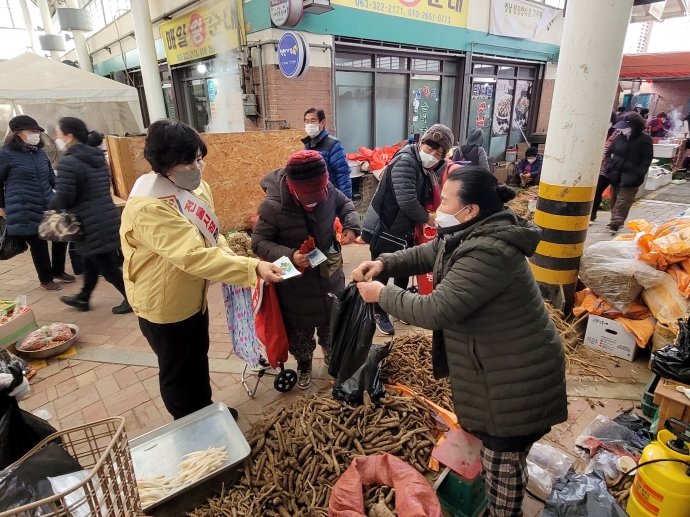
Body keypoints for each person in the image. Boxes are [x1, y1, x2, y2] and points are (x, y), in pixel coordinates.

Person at [353, 166, 567, 517]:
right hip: (499, 368)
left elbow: (435, 310)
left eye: (446, 201)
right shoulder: (471, 231)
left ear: (470, 210)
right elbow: (429, 254)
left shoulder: (490, 251)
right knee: (505, 460)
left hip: (516, 380)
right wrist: (384, 264)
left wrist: (382, 294)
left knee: (502, 463)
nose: (439, 207)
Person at [120, 120, 284, 420]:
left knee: (197, 358)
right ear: (166, 163)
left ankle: (204, 409)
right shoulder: (149, 206)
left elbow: (211, 234)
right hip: (164, 304)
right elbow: (193, 256)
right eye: (191, 160)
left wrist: (232, 257)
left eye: (199, 158)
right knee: (177, 371)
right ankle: (190, 425)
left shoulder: (194, 187)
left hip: (192, 297)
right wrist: (252, 267)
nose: (199, 166)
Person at [252, 150, 360, 389]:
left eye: (319, 194)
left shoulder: (328, 191)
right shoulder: (273, 206)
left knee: (332, 325)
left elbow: (346, 205)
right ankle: (304, 364)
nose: (315, 200)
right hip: (295, 283)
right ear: (293, 187)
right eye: (307, 196)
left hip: (329, 274)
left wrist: (352, 226)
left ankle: (333, 359)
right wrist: (291, 255)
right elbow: (259, 242)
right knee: (300, 333)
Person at [361, 123, 453, 335]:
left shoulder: (425, 166)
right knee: (382, 270)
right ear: (421, 144)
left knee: (403, 268)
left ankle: (397, 307)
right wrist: (428, 218)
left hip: (403, 228)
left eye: (438, 154)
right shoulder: (406, 161)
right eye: (429, 149)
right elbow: (407, 201)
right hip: (386, 226)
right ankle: (378, 311)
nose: (432, 155)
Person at [49, 117, 130, 314]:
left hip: (88, 221)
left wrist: (52, 205)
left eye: (58, 133)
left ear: (69, 135)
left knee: (106, 265)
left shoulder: (69, 162)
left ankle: (132, 298)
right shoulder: (97, 157)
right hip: (106, 216)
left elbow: (66, 196)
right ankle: (84, 297)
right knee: (90, 260)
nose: (56, 137)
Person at [0, 115, 74, 291]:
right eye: (30, 131)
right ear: (17, 133)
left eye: (37, 131)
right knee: (38, 243)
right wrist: (1, 205)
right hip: (23, 205)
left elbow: (50, 176)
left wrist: (63, 192)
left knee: (60, 235)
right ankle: (46, 278)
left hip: (47, 201)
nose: (35, 134)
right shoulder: (5, 154)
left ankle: (58, 270)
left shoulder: (39, 152)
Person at [606, 112, 653, 232]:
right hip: (616, 174)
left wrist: (639, 173)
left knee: (624, 200)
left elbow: (646, 159)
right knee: (615, 199)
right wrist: (609, 167)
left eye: (625, 127)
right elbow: (609, 153)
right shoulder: (619, 138)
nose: (623, 130)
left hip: (632, 176)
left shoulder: (645, 140)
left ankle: (616, 222)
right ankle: (615, 220)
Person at [303, 108, 352, 198]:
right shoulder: (308, 145)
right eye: (306, 121)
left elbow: (343, 174)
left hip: (330, 196)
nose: (309, 124)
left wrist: (345, 200)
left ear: (322, 123)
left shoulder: (333, 144)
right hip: (314, 196)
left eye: (313, 121)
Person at [591, 129, 620, 223]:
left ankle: (616, 220)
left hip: (620, 169)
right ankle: (592, 214)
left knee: (617, 195)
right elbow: (606, 150)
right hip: (605, 168)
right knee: (597, 190)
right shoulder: (616, 132)